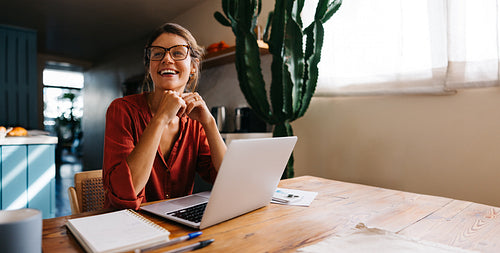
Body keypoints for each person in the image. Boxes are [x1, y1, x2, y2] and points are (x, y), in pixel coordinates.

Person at [103, 23, 226, 210]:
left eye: (177, 53)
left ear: (193, 66)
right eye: (158, 53)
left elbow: (227, 178)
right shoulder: (121, 110)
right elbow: (126, 192)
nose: (167, 59)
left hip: (179, 227)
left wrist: (209, 123)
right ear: (149, 66)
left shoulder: (196, 122)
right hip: (129, 225)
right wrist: (160, 119)